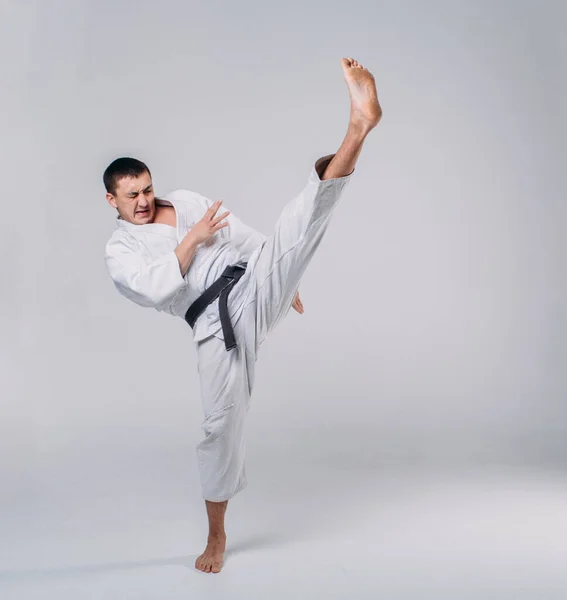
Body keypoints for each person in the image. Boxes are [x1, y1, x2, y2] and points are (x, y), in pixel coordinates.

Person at [103, 57, 382, 573]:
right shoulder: (121, 252)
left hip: (253, 282)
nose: (143, 201)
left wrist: (285, 275)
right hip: (213, 325)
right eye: (132, 196)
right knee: (219, 428)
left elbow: (245, 237)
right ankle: (217, 535)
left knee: (300, 223)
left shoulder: (183, 199)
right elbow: (155, 287)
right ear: (111, 200)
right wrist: (192, 238)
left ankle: (358, 127)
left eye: (145, 189)